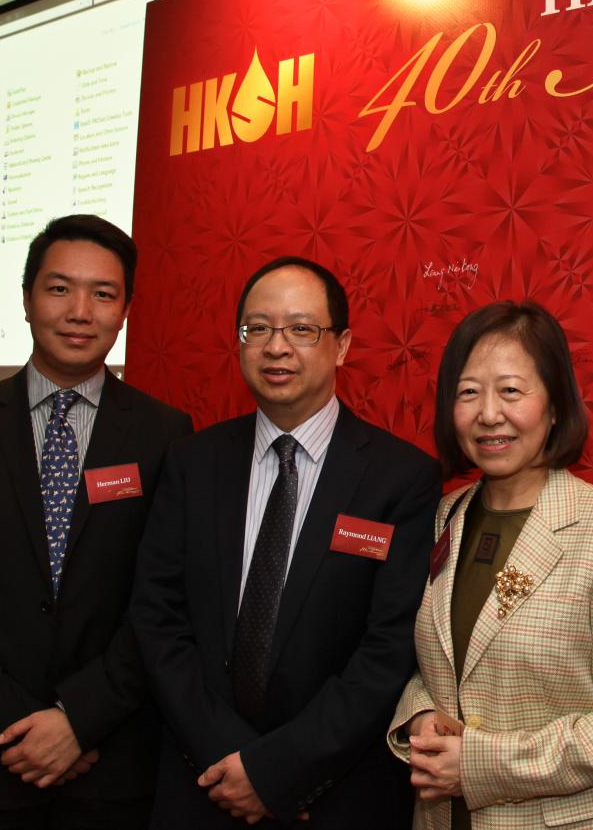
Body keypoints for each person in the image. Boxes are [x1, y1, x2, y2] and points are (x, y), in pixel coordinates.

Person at [0, 215, 193, 829]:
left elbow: (163, 596)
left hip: (112, 758)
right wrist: (19, 727)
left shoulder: (163, 433)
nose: (80, 312)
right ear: (28, 299)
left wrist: (79, 720)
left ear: (125, 311)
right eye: (60, 289)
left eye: (103, 294)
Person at [130, 256, 439, 827]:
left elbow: (388, 648)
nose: (277, 347)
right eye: (258, 328)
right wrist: (232, 760)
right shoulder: (192, 462)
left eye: (301, 329)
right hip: (203, 784)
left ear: (342, 346)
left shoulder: (400, 479)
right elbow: (157, 616)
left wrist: (278, 771)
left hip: (334, 795)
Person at [389, 301, 593, 829]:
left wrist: (478, 764)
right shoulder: (445, 515)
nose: (488, 413)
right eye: (468, 392)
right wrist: (420, 714)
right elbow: (437, 664)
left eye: (511, 391)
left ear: (556, 405)